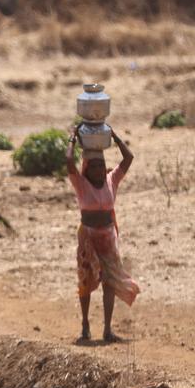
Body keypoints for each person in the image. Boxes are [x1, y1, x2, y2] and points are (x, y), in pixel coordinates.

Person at [66, 129, 140, 343]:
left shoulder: (111, 180)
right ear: (87, 168)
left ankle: (107, 329)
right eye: (94, 166)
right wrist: (72, 139)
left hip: (107, 237)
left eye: (101, 165)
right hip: (88, 237)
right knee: (86, 280)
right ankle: (85, 324)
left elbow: (128, 158)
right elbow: (69, 161)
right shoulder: (81, 184)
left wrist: (114, 137)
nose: (99, 169)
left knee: (109, 282)